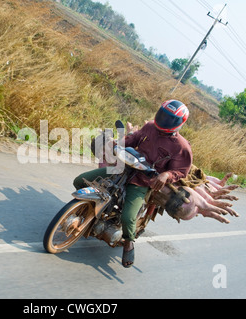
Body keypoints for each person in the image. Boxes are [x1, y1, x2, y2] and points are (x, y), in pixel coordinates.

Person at [73, 100, 193, 268]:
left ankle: (129, 242)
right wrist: (118, 144)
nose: (164, 120)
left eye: (170, 118)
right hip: (122, 168)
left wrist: (165, 174)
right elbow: (134, 138)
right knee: (79, 180)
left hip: (143, 181)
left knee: (128, 217)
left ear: (180, 123)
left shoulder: (181, 147)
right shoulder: (150, 126)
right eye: (163, 115)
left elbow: (181, 171)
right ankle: (88, 211)